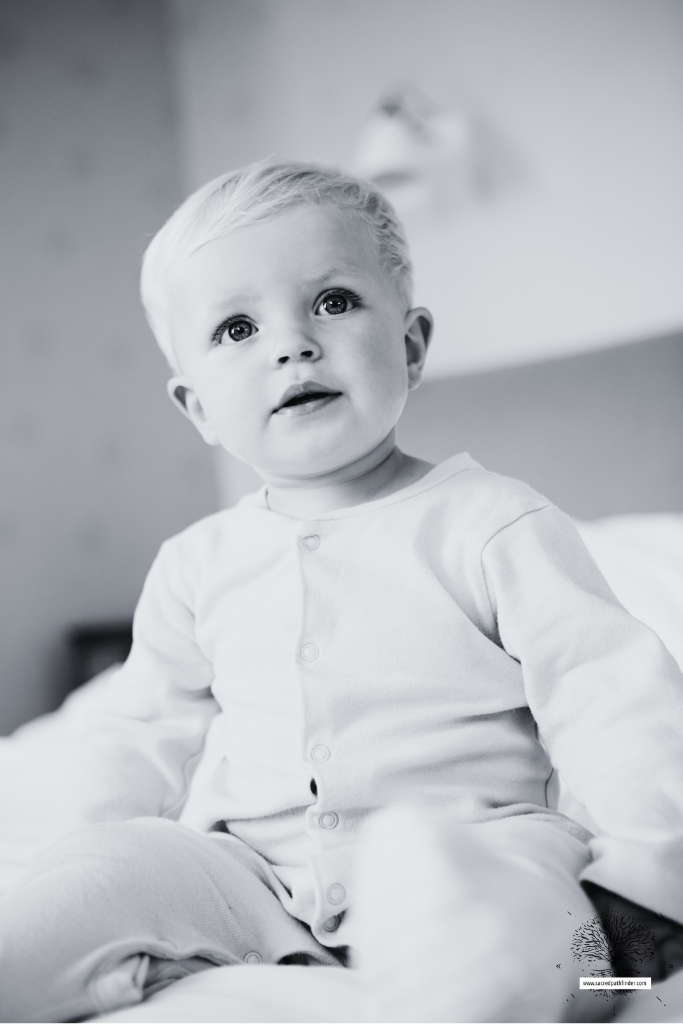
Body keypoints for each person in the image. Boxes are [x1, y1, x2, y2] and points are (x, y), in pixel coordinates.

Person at [1, 161, 682, 1023]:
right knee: (93, 883)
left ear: (410, 344)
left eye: (332, 303)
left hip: (478, 840)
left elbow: (614, 704)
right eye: (237, 328)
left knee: (545, 927)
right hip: (251, 879)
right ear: (196, 407)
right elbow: (135, 730)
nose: (292, 344)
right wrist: (87, 858)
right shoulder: (197, 561)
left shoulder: (491, 521)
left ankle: (493, 965)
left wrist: (641, 894)